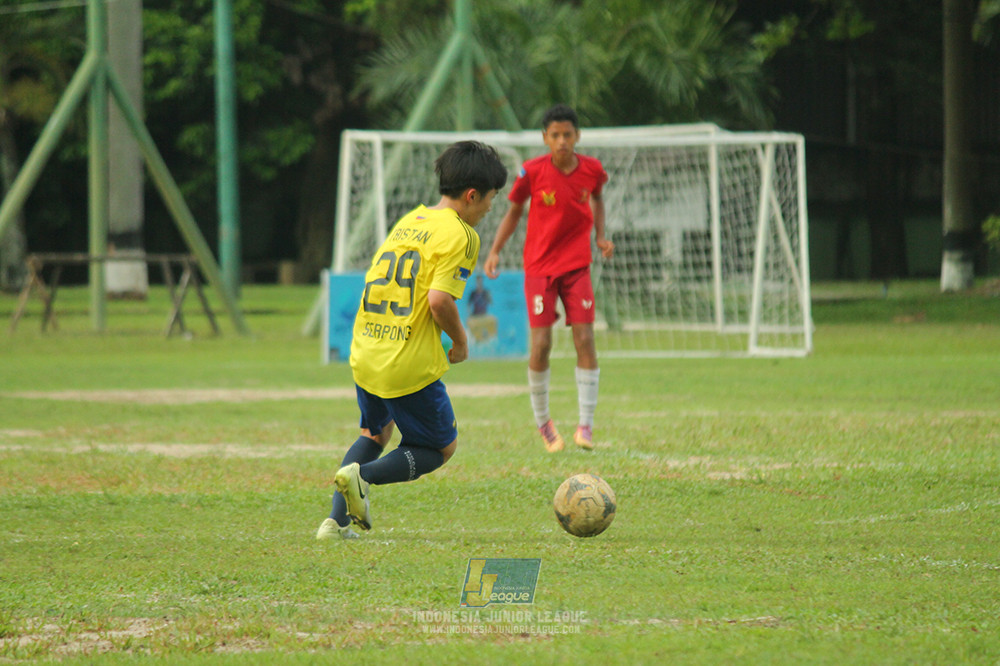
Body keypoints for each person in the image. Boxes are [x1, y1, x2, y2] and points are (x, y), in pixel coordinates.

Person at [317, 141, 508, 540]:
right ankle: (363, 477)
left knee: (374, 434)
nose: (491, 208)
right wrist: (461, 343)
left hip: (367, 349)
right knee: (440, 448)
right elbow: (439, 301)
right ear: (472, 195)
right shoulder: (462, 234)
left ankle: (334, 524)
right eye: (491, 199)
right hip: (404, 361)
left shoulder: (412, 220)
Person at [484, 104, 614, 453]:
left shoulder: (592, 170)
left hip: (577, 266)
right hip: (540, 268)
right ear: (545, 138)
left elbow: (598, 199)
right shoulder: (531, 171)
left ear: (577, 136)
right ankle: (544, 423)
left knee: (585, 338)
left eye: (567, 134)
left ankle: (585, 425)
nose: (562, 141)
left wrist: (601, 236)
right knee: (541, 344)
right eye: (555, 135)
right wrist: (495, 250)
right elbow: (514, 211)